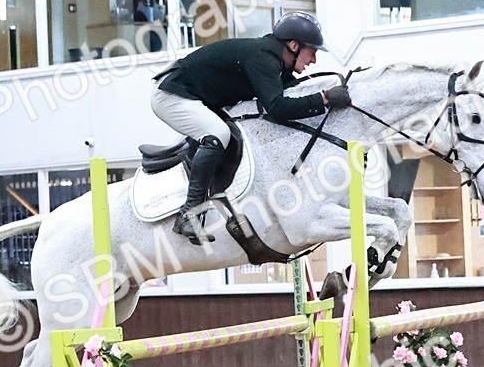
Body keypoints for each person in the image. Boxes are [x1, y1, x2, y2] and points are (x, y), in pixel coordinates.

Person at [150, 12, 353, 244]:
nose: (314, 60)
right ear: (294, 45)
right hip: (171, 95)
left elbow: (290, 95)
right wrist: (324, 99)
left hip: (197, 98)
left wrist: (326, 93)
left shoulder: (276, 61)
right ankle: (189, 213)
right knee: (218, 134)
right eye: (312, 51)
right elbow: (278, 107)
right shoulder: (263, 59)